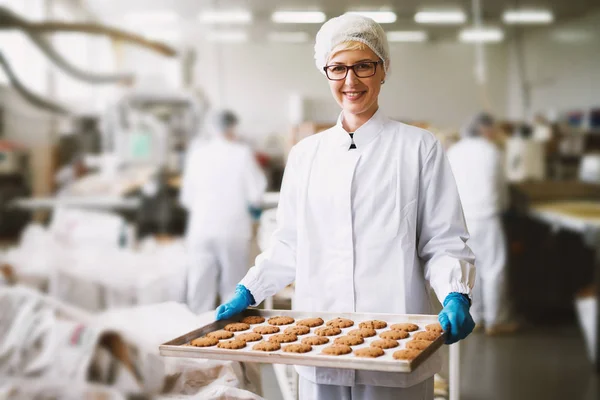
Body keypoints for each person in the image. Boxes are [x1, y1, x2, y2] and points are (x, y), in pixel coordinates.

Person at [216, 14, 476, 400]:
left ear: (384, 69)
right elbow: (289, 244)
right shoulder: (305, 155)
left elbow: (442, 241)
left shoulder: (419, 148)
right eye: (338, 68)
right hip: (320, 339)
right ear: (325, 72)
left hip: (397, 344)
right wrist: (248, 290)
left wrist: (456, 292)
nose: (350, 80)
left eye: (363, 66)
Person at [180, 110, 267, 314]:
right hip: (232, 230)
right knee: (232, 289)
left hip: (200, 229)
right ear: (232, 127)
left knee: (199, 289)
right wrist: (253, 209)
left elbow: (187, 198)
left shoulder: (198, 155)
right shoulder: (241, 153)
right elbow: (256, 193)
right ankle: (230, 338)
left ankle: (196, 336)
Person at [447, 113, 513, 335]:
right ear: (484, 129)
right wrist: (504, 206)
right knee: (493, 269)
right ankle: (496, 321)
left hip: (463, 219)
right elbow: (501, 189)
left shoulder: (453, 152)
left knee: (470, 269)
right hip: (487, 217)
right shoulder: (491, 151)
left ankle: (476, 317)